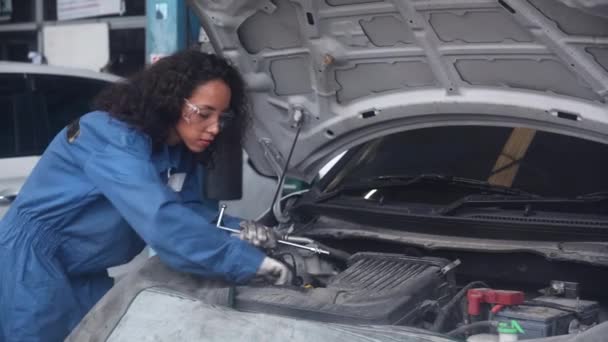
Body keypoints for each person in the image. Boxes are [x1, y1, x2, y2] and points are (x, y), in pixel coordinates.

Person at [0, 50, 290, 342]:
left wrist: (237, 231)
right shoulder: (108, 136)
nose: (214, 128)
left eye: (221, 117)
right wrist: (249, 264)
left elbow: (187, 212)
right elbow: (159, 218)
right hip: (30, 262)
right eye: (203, 114)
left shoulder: (178, 152)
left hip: (84, 270)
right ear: (171, 101)